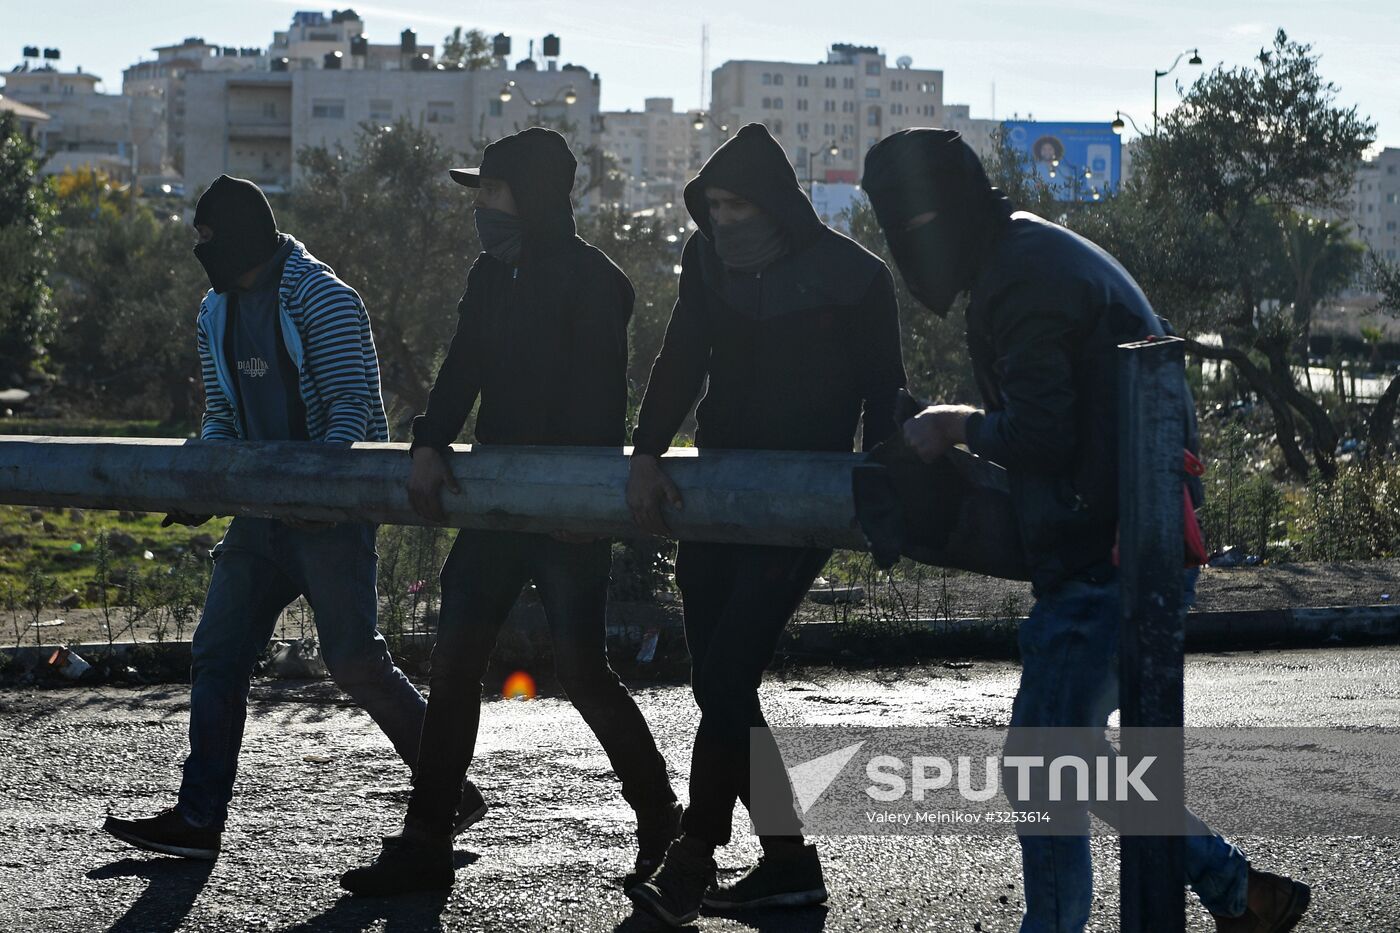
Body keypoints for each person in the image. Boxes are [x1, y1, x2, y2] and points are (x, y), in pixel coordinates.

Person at [861, 128, 1311, 933]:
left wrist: (955, 427)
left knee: (1042, 765)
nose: (907, 249)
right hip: (1124, 543)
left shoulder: (1019, 279)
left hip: (1112, 556)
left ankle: (1198, 898)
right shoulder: (1024, 254)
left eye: (909, 227)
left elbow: (1040, 435)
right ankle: (1241, 892)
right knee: (1068, 763)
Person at [102, 175, 485, 860]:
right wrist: (203, 487)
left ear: (244, 236)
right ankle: (199, 819)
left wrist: (321, 499)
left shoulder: (324, 299)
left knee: (355, 660)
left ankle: (451, 789)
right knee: (217, 651)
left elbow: (352, 416)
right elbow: (223, 416)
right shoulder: (214, 311)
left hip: (331, 516)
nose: (203, 251)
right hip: (257, 514)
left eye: (211, 238)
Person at [339, 128, 680, 897]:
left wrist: (582, 505)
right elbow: (463, 365)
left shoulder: (600, 283)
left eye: (492, 192)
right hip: (494, 504)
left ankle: (662, 822)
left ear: (529, 194)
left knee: (583, 671)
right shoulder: (490, 276)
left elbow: (602, 404)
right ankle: (426, 836)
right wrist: (430, 442)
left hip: (565, 510)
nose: (482, 209)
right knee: (455, 663)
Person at [625, 123, 907, 927]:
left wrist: (886, 503)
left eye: (736, 202)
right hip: (714, 496)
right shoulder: (705, 262)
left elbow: (885, 396)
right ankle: (787, 862)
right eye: (711, 204)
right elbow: (680, 356)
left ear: (777, 204)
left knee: (721, 678)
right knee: (722, 678)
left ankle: (692, 855)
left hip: (801, 507)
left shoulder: (856, 278)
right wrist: (646, 451)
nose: (722, 219)